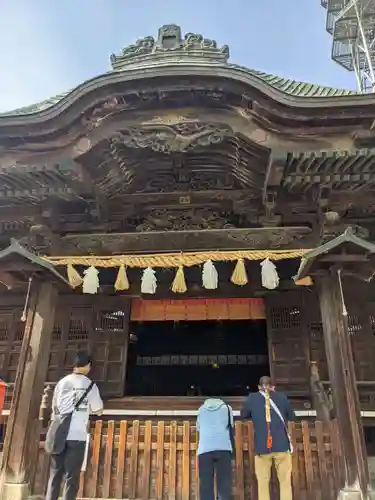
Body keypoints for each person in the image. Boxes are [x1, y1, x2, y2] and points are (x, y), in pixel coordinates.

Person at [45, 351, 103, 500]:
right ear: (87, 366)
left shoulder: (62, 382)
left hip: (59, 432)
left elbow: (55, 407)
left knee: (55, 474)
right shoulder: (90, 385)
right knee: (72, 476)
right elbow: (98, 410)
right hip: (77, 435)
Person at [241, 376, 295, 500]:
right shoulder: (281, 397)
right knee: (285, 482)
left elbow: (243, 414)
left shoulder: (252, 398)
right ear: (273, 386)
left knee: (263, 483)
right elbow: (292, 416)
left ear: (259, 387)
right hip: (282, 445)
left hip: (262, 447)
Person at [196, 398, 234, 500]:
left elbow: (198, 427)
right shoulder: (227, 408)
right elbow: (231, 425)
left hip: (205, 449)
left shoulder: (201, 409)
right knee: (224, 483)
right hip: (223, 447)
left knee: (205, 484)